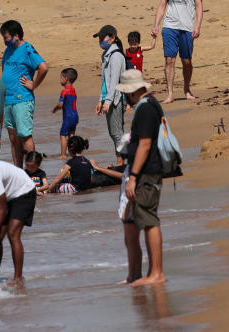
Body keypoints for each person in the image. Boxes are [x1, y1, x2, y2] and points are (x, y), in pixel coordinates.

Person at [116, 69, 166, 286]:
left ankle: (156, 273)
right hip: (148, 170)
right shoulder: (151, 104)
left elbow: (145, 145)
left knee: (149, 221)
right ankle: (143, 274)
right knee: (141, 219)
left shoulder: (145, 109)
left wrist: (133, 176)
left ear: (133, 91)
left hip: (146, 171)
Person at [151, 0, 203, 103]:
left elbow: (199, 7)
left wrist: (197, 27)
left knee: (186, 61)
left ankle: (187, 88)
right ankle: (170, 94)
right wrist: (156, 25)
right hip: (169, 27)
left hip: (187, 28)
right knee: (169, 60)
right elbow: (161, 7)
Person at [0, 20, 48, 166]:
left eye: (6, 37)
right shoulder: (8, 51)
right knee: (13, 139)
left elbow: (43, 67)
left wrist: (34, 84)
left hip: (22, 99)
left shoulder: (27, 48)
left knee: (25, 136)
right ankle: (18, 172)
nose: (4, 41)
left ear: (16, 36)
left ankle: (33, 172)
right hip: (8, 100)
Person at [41, 134, 122, 194]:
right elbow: (90, 176)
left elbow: (57, 179)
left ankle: (43, 190)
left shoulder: (71, 162)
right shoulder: (87, 161)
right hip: (86, 188)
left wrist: (47, 191)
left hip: (76, 189)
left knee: (54, 187)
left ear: (69, 149)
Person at [96, 24, 128, 159]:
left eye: (103, 38)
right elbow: (105, 82)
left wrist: (108, 101)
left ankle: (123, 161)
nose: (101, 41)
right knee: (114, 132)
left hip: (116, 99)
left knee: (117, 132)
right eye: (100, 38)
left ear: (113, 38)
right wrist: (100, 100)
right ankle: (121, 159)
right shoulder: (106, 55)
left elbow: (114, 81)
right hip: (109, 98)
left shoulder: (116, 56)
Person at [51, 68, 78, 159]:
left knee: (63, 135)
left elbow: (60, 104)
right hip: (75, 116)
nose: (60, 80)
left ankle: (63, 155)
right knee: (72, 135)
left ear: (65, 78)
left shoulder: (64, 91)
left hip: (68, 117)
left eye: (61, 78)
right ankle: (73, 154)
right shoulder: (73, 90)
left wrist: (55, 109)